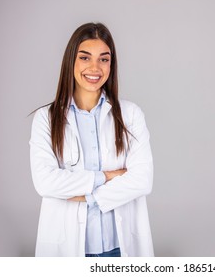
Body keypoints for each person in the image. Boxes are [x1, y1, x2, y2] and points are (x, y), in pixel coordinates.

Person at [29, 23, 154, 257]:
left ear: (111, 64)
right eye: (85, 58)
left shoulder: (131, 114)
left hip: (119, 247)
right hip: (69, 248)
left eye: (104, 59)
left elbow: (142, 180)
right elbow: (45, 183)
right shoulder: (46, 119)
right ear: (71, 61)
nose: (95, 67)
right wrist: (106, 177)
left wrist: (87, 196)